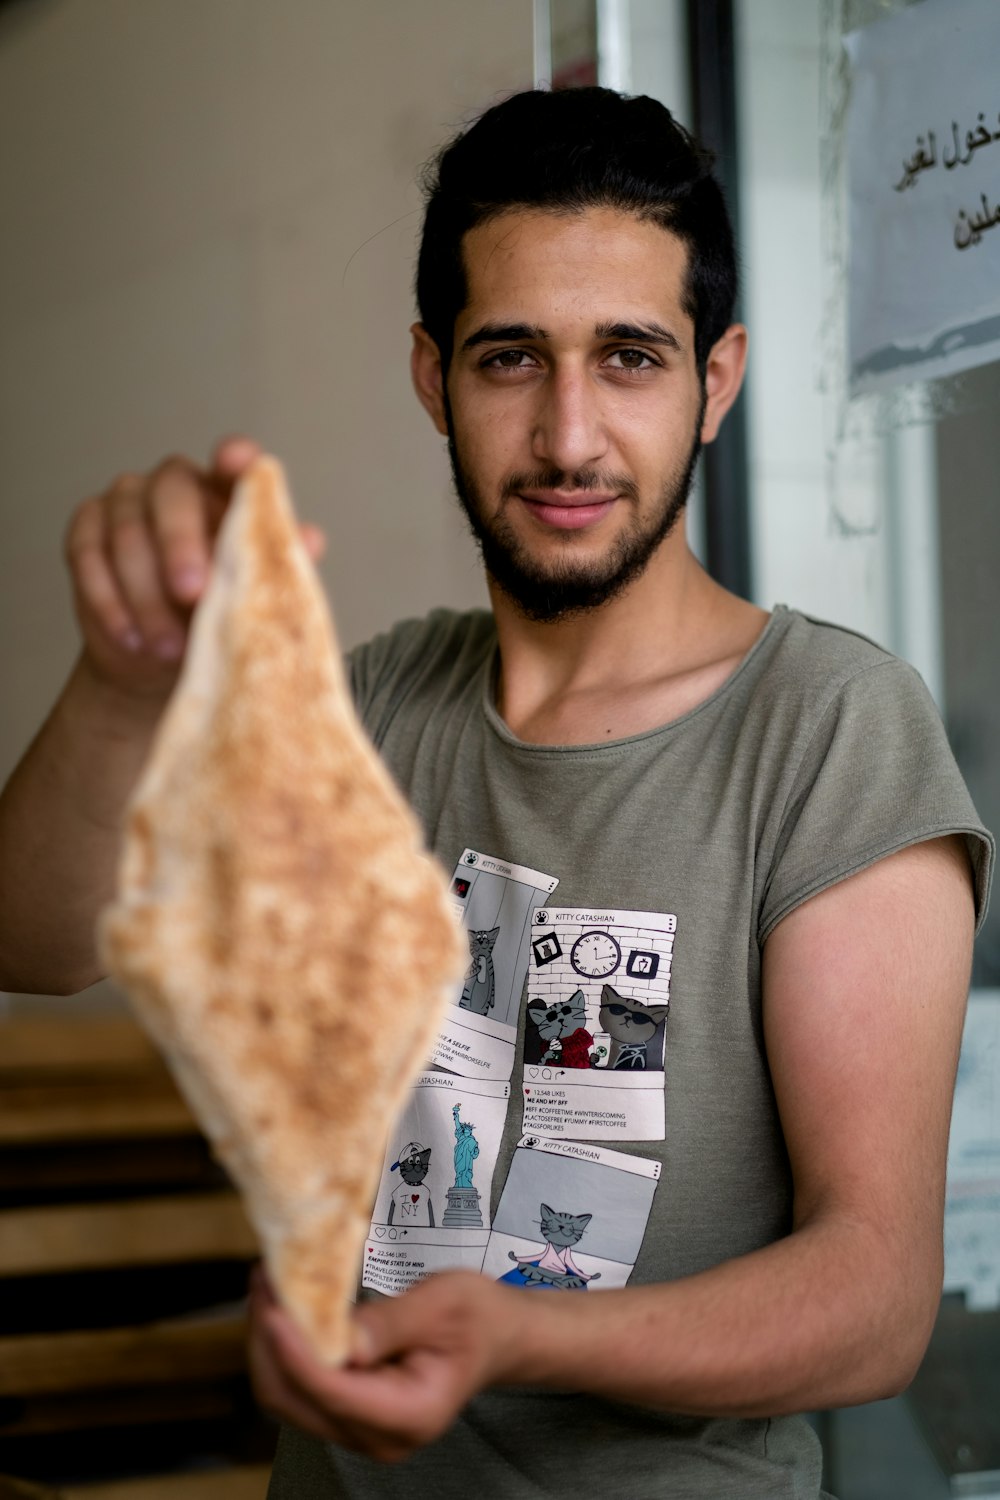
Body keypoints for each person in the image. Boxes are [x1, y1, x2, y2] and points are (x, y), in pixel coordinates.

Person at [0, 87, 992, 1499]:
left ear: (718, 381)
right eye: (512, 358)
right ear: (434, 377)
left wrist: (516, 1334)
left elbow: (875, 1296)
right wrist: (119, 679)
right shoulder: (379, 705)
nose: (569, 436)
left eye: (631, 358)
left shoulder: (831, 730)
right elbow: (31, 938)